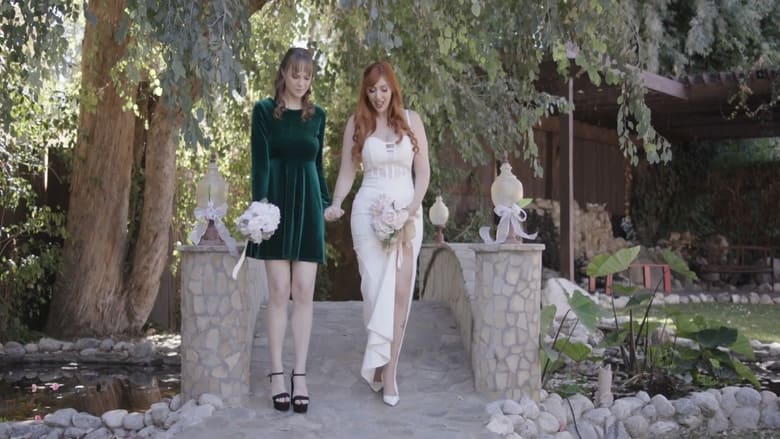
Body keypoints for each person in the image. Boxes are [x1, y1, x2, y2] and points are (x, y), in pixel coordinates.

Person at [324, 61, 430, 407]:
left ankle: (391, 372)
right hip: (367, 215)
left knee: (399, 293)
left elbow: (423, 173)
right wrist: (336, 202)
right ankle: (378, 358)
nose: (378, 96)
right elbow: (347, 171)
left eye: (383, 89)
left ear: (393, 89)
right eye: (372, 90)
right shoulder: (357, 123)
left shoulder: (412, 121)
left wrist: (409, 211)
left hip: (406, 214)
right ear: (365, 92)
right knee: (374, 293)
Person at [246, 47, 329, 414]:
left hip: (308, 205)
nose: (301, 82)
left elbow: (319, 165)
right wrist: (259, 209)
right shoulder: (264, 111)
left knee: (304, 291)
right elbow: (260, 163)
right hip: (275, 205)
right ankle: (277, 374)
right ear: (283, 73)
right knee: (279, 291)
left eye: (307, 77)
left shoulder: (318, 116)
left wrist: (326, 203)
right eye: (296, 75)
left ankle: (300, 376)